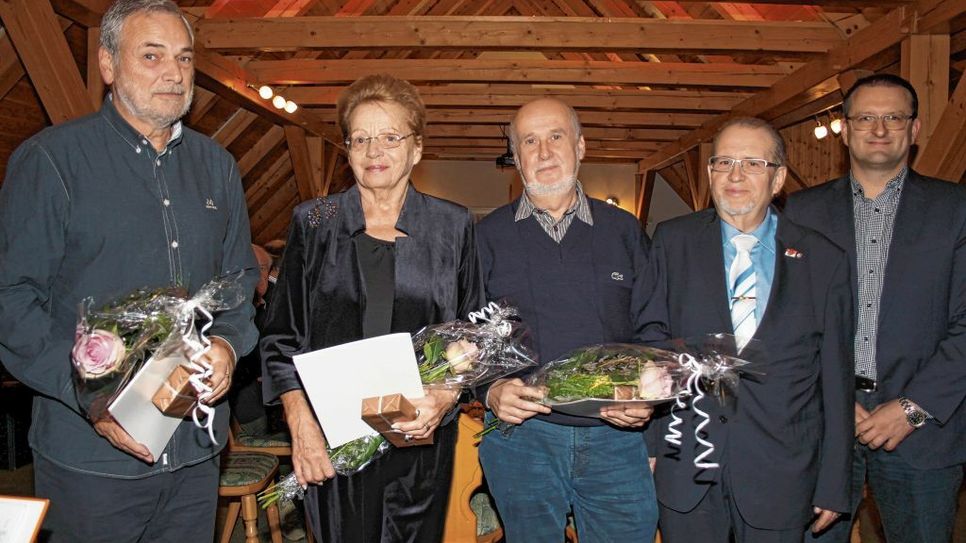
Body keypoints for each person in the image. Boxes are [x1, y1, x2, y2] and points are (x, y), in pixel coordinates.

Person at [0, 0, 258, 541]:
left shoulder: (218, 167)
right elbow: (10, 299)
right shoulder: (51, 161)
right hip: (89, 461)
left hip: (195, 451)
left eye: (184, 58)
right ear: (108, 65)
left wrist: (229, 347)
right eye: (152, 55)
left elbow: (238, 286)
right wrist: (92, 399)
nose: (174, 72)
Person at [259, 73, 484, 543]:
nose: (373, 151)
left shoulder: (453, 226)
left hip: (420, 437)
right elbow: (279, 339)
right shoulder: (315, 222)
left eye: (389, 137)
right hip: (332, 437)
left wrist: (442, 398)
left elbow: (474, 334)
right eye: (360, 139)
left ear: (416, 148)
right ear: (347, 151)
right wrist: (301, 426)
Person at [641, 117, 854, 542]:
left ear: (777, 179)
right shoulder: (672, 241)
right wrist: (649, 445)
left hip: (781, 470)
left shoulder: (823, 259)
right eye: (724, 162)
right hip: (687, 460)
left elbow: (836, 378)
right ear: (709, 174)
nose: (735, 175)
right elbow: (651, 339)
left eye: (753, 163)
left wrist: (835, 481)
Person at [785, 74, 966, 543]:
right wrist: (835, 396)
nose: (879, 129)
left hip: (922, 430)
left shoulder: (957, 210)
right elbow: (787, 323)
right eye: (865, 117)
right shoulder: (799, 214)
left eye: (893, 117)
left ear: (916, 128)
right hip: (823, 426)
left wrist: (912, 407)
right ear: (845, 129)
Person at [475, 97, 658, 542]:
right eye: (529, 142)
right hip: (522, 439)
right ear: (515, 158)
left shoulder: (624, 230)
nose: (543, 152)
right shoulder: (484, 236)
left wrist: (650, 395)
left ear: (580, 146)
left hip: (618, 436)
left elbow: (655, 324)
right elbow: (466, 339)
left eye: (555, 137)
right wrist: (490, 389)